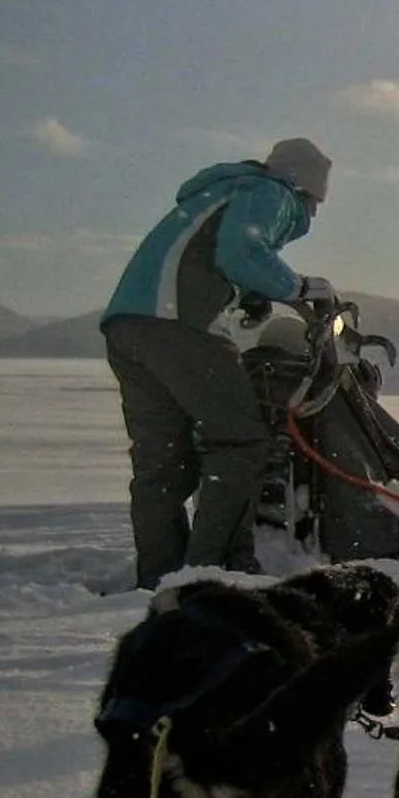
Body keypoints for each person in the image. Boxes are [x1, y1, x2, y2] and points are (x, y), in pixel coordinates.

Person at [101, 138, 335, 588]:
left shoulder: (219, 191)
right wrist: (299, 288)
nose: (312, 214)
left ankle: (160, 578)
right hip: (179, 324)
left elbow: (214, 254)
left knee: (162, 461)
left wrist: (249, 295)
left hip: (128, 327)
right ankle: (214, 572)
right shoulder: (271, 191)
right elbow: (241, 251)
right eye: (315, 202)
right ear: (303, 186)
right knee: (240, 444)